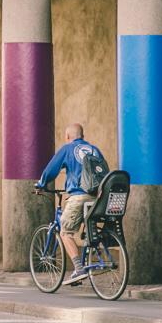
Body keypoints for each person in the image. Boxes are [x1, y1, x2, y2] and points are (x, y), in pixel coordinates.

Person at [35, 122, 104, 285]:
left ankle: (79, 269)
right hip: (98, 197)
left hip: (79, 197)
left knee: (66, 233)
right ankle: (97, 249)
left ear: (67, 137)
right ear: (83, 136)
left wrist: (41, 184)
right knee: (88, 230)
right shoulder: (95, 149)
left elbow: (51, 169)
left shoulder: (67, 149)